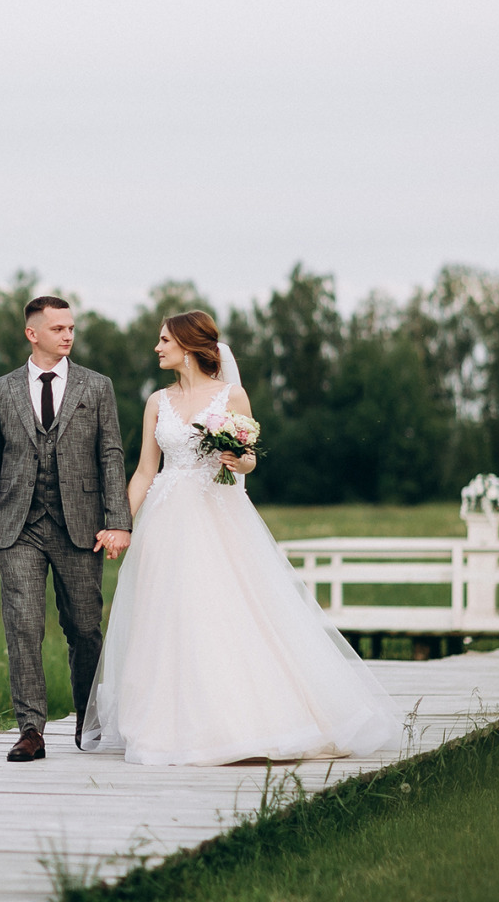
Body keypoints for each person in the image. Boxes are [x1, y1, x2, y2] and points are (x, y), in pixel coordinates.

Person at [80, 310, 401, 765]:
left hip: (215, 515)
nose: (157, 348)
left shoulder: (232, 395)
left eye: (164, 340)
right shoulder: (157, 401)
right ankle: (168, 723)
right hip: (165, 518)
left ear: (189, 346)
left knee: (219, 612)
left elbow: (249, 458)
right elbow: (145, 471)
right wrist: (120, 523)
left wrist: (240, 461)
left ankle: (237, 720)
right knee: (165, 616)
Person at [0, 296, 133, 762]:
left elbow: (111, 456)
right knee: (22, 626)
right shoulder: (1, 390)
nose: (68, 335)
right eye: (58, 328)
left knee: (83, 628)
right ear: (32, 333)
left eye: (72, 328)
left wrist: (118, 521)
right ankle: (31, 730)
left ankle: (88, 718)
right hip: (17, 525)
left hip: (80, 526)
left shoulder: (96, 387)